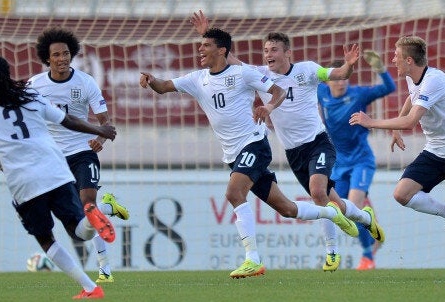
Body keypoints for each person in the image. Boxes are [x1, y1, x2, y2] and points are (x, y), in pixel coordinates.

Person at [140, 27, 359, 279]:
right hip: (234, 154)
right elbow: (164, 85)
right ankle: (329, 212)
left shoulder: (244, 74)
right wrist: (150, 80)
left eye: (206, 45)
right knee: (286, 208)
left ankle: (252, 259)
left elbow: (278, 91)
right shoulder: (197, 79)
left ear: (221, 50)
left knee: (234, 193)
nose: (200, 49)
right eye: (201, 45)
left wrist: (267, 106)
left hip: (255, 144)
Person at [190, 11, 385, 272]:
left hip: (318, 143)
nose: (268, 54)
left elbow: (339, 74)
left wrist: (349, 65)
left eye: (274, 50)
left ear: (287, 53)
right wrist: (206, 34)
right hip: (293, 153)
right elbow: (226, 56)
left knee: (318, 193)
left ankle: (331, 252)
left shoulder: (307, 70)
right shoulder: (258, 74)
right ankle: (364, 217)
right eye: (266, 50)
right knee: (333, 202)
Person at [0, 55, 117, 298]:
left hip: (24, 183)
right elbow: (68, 121)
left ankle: (91, 287)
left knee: (46, 240)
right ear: (9, 73)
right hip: (56, 171)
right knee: (78, 230)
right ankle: (91, 217)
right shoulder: (31, 96)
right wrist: (99, 129)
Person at [349, 35, 445, 280]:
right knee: (402, 194)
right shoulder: (414, 77)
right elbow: (412, 98)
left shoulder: (435, 79)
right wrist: (395, 128)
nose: (392, 60)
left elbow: (411, 121)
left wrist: (372, 122)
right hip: (436, 150)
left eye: (396, 56)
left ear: (409, 60)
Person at [29, 27, 129, 283]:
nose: (63, 58)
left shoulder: (85, 82)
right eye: (57, 55)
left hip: (82, 152)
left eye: (66, 53)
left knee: (88, 205)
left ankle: (104, 269)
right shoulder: (35, 85)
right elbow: (27, 121)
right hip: (52, 159)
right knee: (80, 221)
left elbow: (105, 122)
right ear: (47, 58)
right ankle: (110, 206)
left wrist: (100, 139)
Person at [318, 52, 396, 270]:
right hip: (338, 163)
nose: (341, 82)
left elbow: (389, 89)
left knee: (352, 207)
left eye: (345, 77)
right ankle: (370, 226)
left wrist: (380, 68)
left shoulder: (359, 94)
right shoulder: (321, 91)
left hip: (361, 160)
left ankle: (367, 256)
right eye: (337, 78)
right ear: (327, 81)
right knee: (339, 210)